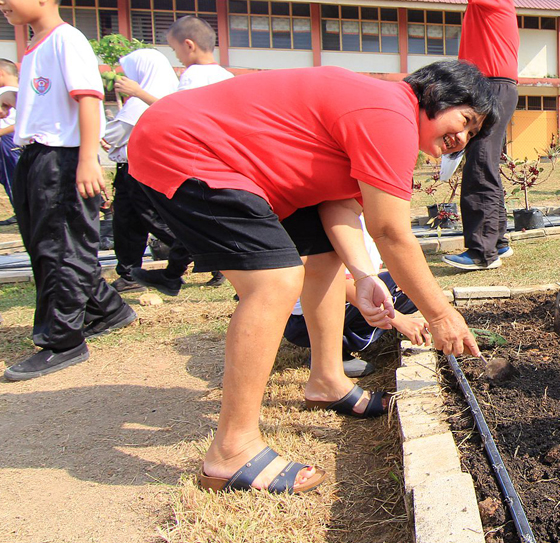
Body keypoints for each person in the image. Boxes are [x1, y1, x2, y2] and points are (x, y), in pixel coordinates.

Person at [128, 60, 492, 494]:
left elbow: (338, 207)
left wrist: (362, 274)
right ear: (436, 92)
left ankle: (326, 379)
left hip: (224, 156)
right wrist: (441, 315)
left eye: (471, 135)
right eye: (465, 121)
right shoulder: (390, 113)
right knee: (276, 281)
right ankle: (232, 449)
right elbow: (391, 232)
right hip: (186, 146)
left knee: (323, 257)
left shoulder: (384, 115)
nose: (461, 138)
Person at [0, 0, 138, 381]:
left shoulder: (66, 39)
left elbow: (88, 100)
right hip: (37, 158)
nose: (1, 1)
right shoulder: (35, 47)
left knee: (60, 248)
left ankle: (63, 340)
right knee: (46, 244)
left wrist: (86, 162)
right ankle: (108, 310)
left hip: (63, 159)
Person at [389, 0, 520, 271]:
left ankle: (481, 253)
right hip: (491, 85)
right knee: (485, 162)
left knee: (479, 164)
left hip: (493, 86)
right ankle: (498, 242)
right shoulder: (486, 1)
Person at [119, 16, 235, 292]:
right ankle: (180, 275)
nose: (178, 57)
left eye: (175, 50)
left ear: (189, 45)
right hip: (223, 159)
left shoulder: (194, 75)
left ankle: (175, 276)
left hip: (199, 159)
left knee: (189, 219)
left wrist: (138, 93)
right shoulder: (226, 75)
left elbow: (176, 112)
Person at [283, 213, 431, 378]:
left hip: (331, 300)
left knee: (407, 285)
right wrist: (399, 320)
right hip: (304, 319)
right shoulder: (338, 221)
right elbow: (340, 284)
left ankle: (352, 337)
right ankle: (328, 354)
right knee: (390, 291)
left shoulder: (361, 217)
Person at [103, 48, 179, 293]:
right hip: (133, 168)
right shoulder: (164, 93)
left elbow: (113, 134)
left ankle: (201, 252)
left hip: (141, 169)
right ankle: (129, 273)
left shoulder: (142, 100)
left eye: (130, 73)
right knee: (128, 221)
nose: (125, 79)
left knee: (152, 219)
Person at [0, 58, 21, 224]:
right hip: (13, 141)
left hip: (8, 141)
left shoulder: (6, 92)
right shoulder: (22, 91)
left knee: (13, 178)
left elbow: (18, 123)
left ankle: (22, 212)